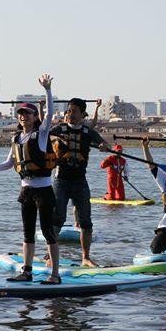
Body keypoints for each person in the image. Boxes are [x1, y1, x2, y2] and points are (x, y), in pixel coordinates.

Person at [0, 74, 62, 284]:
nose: (23, 116)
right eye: (20, 113)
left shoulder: (42, 133)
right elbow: (10, 164)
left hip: (44, 191)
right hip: (26, 191)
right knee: (27, 234)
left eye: (27, 113)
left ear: (35, 116)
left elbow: (51, 113)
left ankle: (55, 275)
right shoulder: (16, 138)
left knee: (48, 233)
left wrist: (47, 90)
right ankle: (26, 271)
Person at [50, 98, 109, 267]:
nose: (70, 115)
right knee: (58, 219)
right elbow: (44, 132)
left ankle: (86, 257)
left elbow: (104, 143)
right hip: (61, 180)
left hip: (80, 181)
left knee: (86, 221)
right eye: (69, 111)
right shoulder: (59, 129)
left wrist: (104, 146)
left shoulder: (87, 132)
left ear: (83, 114)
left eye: (74, 112)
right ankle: (50, 255)